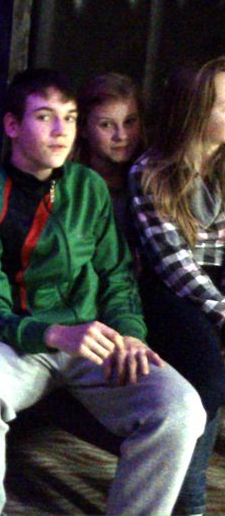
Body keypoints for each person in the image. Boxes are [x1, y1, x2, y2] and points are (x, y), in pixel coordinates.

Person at [0, 68, 205, 515]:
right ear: (12, 125)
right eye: (45, 117)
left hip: (94, 341)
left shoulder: (88, 187)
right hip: (19, 342)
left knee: (182, 407)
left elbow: (117, 276)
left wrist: (131, 334)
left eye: (68, 117)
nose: (61, 130)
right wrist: (51, 333)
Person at [130, 56, 225, 516]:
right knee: (207, 371)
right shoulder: (151, 172)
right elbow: (174, 266)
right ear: (195, 112)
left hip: (216, 290)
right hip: (169, 294)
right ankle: (188, 500)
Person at [75, 72, 145, 246]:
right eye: (106, 124)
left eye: (129, 122)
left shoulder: (150, 180)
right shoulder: (69, 185)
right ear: (83, 128)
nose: (121, 135)